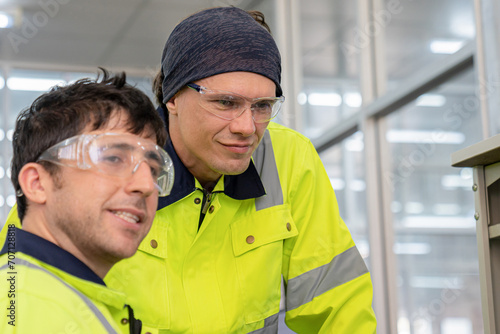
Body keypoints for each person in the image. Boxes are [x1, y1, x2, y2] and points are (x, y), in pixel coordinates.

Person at [2, 7, 377, 334]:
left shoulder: (288, 158)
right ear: (173, 97)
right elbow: (21, 273)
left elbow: (337, 302)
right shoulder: (107, 159)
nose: (247, 127)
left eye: (262, 105)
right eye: (226, 102)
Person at [0, 69, 173, 333]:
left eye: (152, 169)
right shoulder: (33, 306)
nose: (146, 186)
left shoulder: (64, 298)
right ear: (37, 184)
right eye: (114, 159)